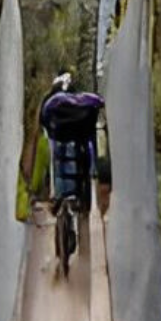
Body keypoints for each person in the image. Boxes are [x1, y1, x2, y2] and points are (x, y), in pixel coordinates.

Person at [37, 70, 107, 221]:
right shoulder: (80, 99)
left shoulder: (51, 102)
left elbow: (43, 120)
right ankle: (77, 194)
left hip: (59, 132)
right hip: (79, 133)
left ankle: (58, 196)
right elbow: (98, 101)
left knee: (57, 158)